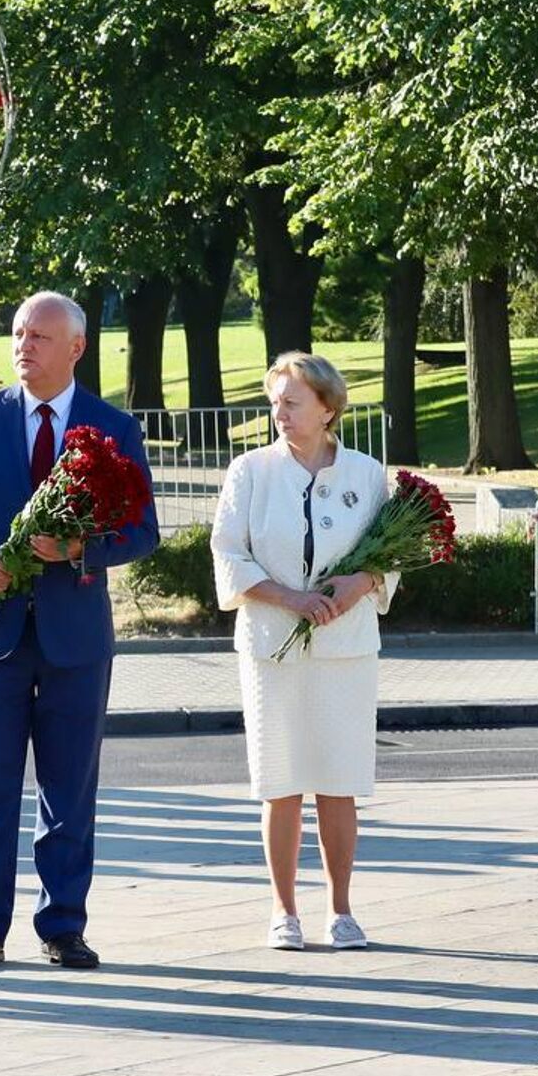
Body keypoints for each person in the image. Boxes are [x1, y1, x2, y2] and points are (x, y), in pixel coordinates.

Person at [0, 292, 159, 971]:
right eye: (18, 335)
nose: (24, 346)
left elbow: (143, 531)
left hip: (76, 637)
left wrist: (81, 550)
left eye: (40, 337)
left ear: (76, 347)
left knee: (69, 788)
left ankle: (63, 926)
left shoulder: (112, 428)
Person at [210, 353, 395, 952]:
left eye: (292, 403)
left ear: (327, 409)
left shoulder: (367, 474)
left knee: (338, 779)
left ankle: (341, 910)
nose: (279, 414)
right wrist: (289, 597)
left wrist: (359, 584)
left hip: (346, 647)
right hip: (271, 648)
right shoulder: (250, 471)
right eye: (275, 403)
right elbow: (229, 555)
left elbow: (391, 553)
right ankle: (283, 910)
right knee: (280, 779)